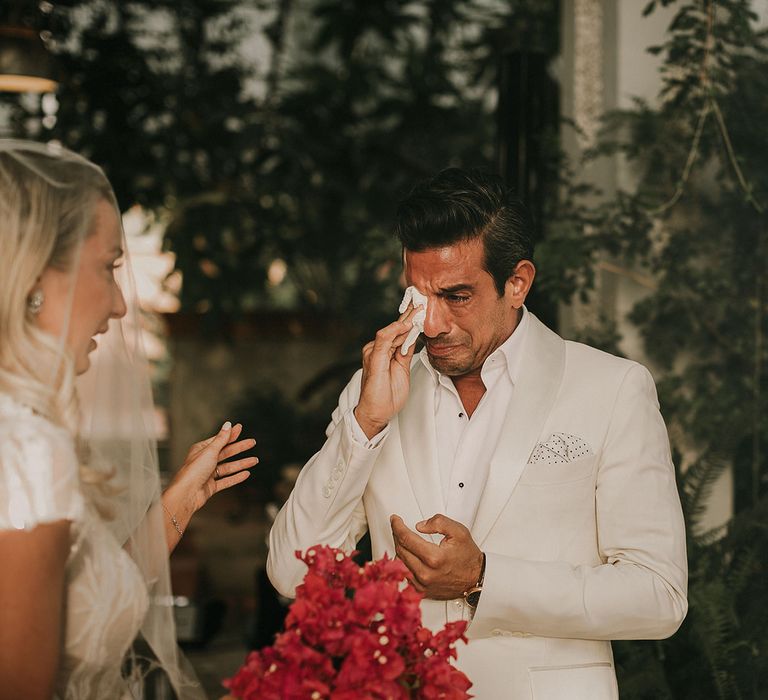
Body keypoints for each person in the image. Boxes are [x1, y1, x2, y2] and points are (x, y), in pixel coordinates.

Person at [267, 168, 688, 699]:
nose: (434, 325)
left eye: (457, 297)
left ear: (517, 283)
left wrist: (485, 579)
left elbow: (659, 595)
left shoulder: (612, 389)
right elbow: (292, 573)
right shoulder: (373, 390)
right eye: (419, 299)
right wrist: (366, 425)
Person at [0, 140, 257, 700]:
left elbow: (76, 600)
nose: (120, 305)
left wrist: (179, 500)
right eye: (107, 266)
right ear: (37, 277)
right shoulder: (22, 447)